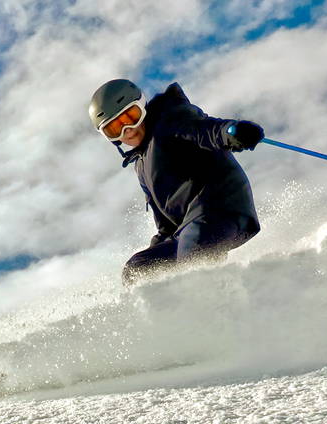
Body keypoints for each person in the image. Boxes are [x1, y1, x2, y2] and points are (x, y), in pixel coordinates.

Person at [88, 79, 264, 285]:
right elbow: (165, 226)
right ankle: (156, 311)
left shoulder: (170, 119)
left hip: (221, 209)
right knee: (138, 268)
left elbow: (203, 130)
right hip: (187, 230)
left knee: (194, 250)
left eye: (131, 116)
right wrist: (156, 248)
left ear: (142, 106)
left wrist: (231, 133)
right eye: (114, 128)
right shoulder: (141, 165)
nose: (127, 129)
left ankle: (213, 305)